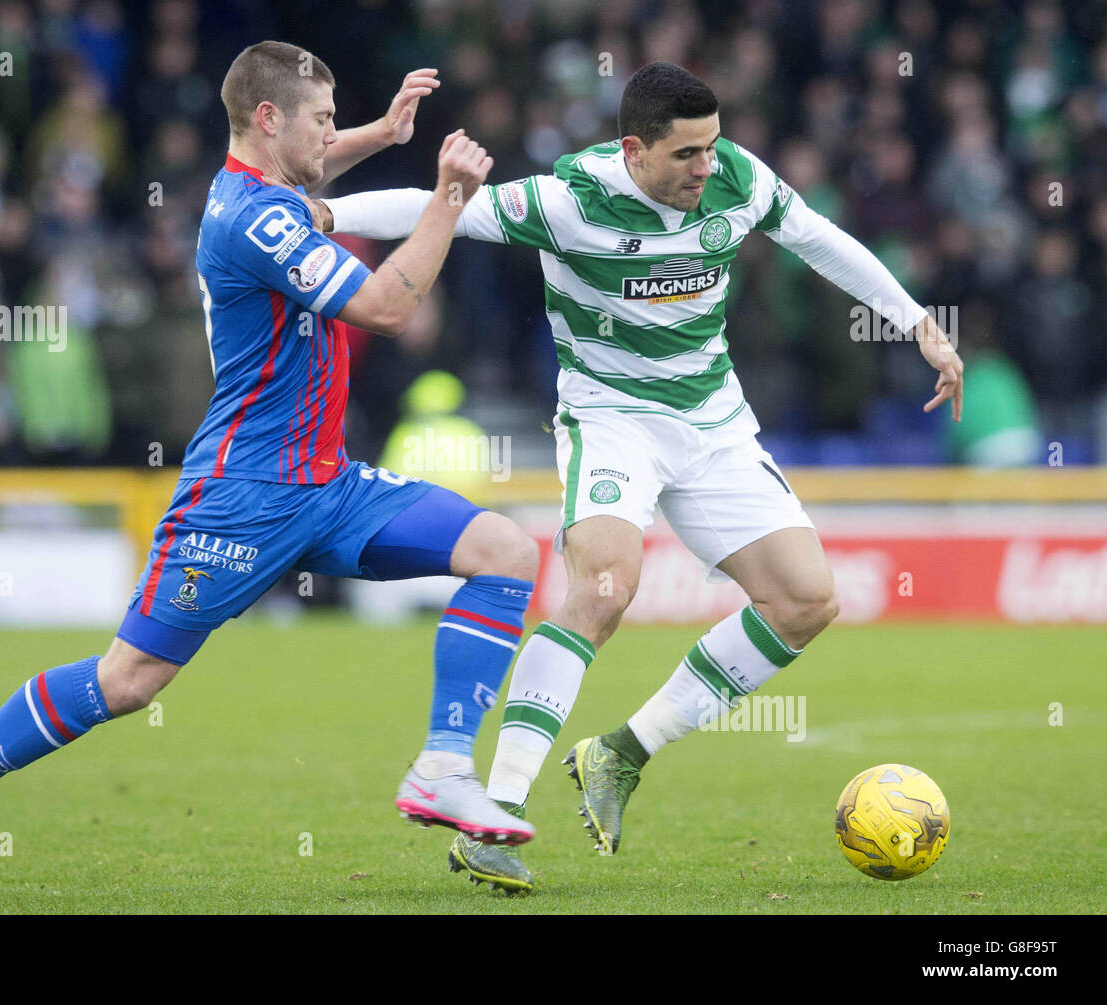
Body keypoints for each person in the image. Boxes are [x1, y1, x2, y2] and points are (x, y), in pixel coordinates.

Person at [0, 41, 540, 908]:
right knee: (129, 681)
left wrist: (381, 133)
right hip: (242, 500)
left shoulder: (265, 187)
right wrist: (448, 201)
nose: (330, 135)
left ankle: (444, 766)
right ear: (269, 120)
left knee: (504, 550)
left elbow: (312, 171)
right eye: (322, 120)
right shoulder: (259, 219)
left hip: (329, 486)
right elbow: (386, 308)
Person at [315, 62, 964, 893]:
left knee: (806, 602)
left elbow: (817, 238)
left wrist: (918, 324)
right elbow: (434, 206)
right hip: (612, 417)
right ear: (635, 149)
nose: (707, 167)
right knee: (607, 588)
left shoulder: (736, 179)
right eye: (688, 153)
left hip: (712, 420)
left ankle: (621, 753)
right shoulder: (570, 201)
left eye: (714, 146)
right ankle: (494, 814)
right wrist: (328, 212)